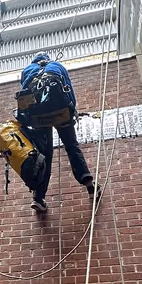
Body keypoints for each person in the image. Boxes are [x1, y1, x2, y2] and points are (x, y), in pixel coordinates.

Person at [19, 52, 102, 213]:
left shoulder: (27, 70)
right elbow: (68, 89)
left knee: (45, 155)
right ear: (47, 58)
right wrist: (72, 110)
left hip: (39, 118)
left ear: (34, 60)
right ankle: (89, 185)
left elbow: (24, 95)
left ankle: (38, 197)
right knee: (71, 146)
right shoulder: (56, 66)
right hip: (61, 113)